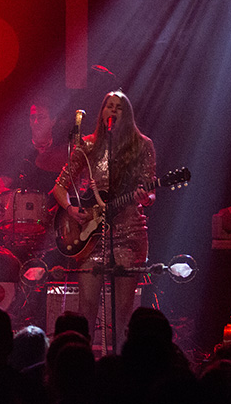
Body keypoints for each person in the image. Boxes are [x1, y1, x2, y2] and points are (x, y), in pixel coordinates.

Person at [51, 90, 156, 350]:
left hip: (129, 233)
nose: (113, 110)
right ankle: (81, 364)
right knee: (86, 308)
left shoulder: (143, 145)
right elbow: (59, 187)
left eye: (118, 107)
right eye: (109, 106)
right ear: (102, 112)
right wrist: (72, 210)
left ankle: (120, 366)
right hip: (92, 236)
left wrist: (146, 198)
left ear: (127, 114)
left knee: (122, 312)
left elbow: (150, 191)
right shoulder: (88, 146)